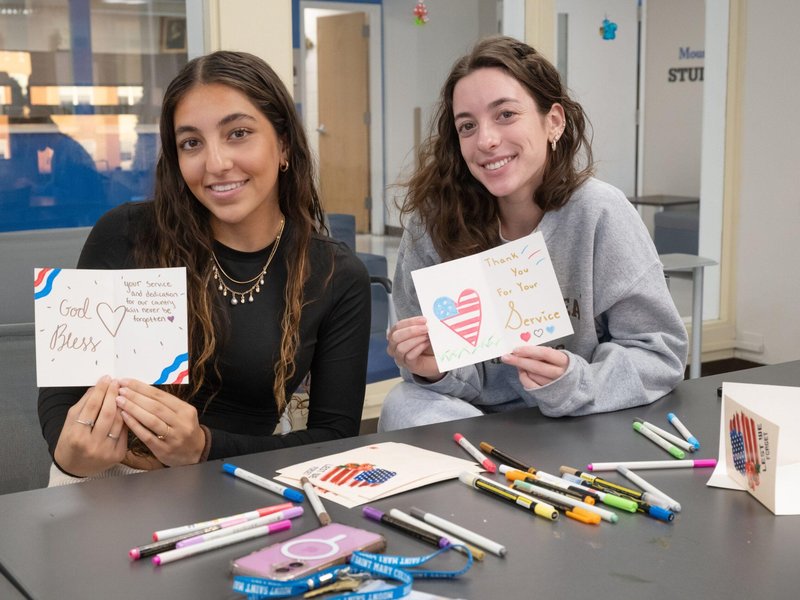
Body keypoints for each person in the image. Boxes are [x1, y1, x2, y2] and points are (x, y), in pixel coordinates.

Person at [38, 51, 371, 483]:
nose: (215, 164)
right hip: (109, 476)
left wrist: (203, 448)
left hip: (241, 478)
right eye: (191, 143)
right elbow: (62, 395)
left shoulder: (335, 274)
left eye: (238, 133)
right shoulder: (125, 234)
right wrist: (70, 457)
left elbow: (334, 437)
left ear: (284, 144)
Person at [378, 36, 688, 431]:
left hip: (578, 417)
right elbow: (448, 380)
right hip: (469, 422)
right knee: (403, 402)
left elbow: (659, 353)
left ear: (553, 121)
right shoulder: (431, 226)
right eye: (467, 126)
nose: (486, 140)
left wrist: (575, 381)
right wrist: (433, 369)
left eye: (505, 114)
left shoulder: (600, 213)